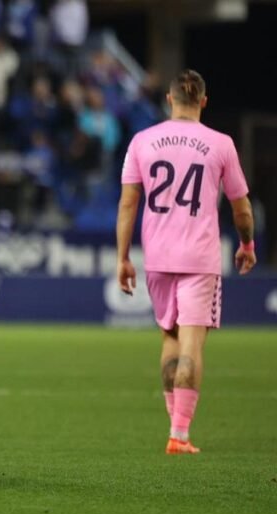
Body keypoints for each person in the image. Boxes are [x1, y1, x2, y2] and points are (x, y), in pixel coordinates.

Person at [116, 70, 255, 455]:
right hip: (199, 256)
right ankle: (179, 433)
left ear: (168, 98)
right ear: (204, 102)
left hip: (158, 257)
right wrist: (247, 243)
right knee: (192, 345)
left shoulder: (142, 141)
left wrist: (123, 257)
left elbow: (129, 202)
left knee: (171, 340)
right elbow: (240, 206)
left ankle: (174, 425)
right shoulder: (220, 143)